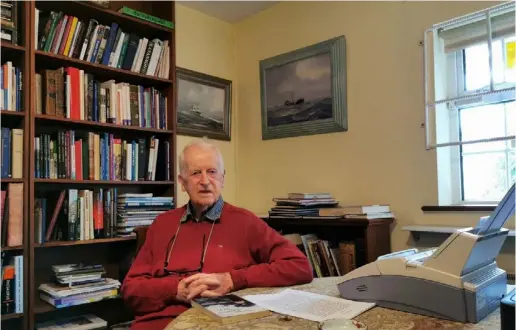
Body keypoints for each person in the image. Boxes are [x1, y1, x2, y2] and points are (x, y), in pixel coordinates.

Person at [120, 139, 313, 330]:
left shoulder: (245, 222)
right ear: (182, 182)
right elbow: (130, 290)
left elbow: (299, 267)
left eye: (212, 172)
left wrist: (232, 280)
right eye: (196, 173)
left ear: (223, 178)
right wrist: (174, 290)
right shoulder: (162, 224)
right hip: (161, 324)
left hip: (221, 324)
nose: (205, 181)